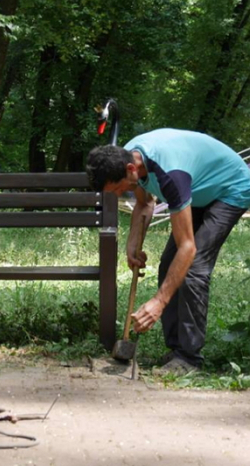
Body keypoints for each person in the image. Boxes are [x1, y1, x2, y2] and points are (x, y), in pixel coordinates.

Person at [87, 129, 250, 374]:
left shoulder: (171, 175)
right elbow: (144, 203)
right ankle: (176, 350)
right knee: (168, 266)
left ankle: (189, 359)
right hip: (199, 190)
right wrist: (133, 244)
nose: (120, 194)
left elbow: (188, 247)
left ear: (131, 169)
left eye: (119, 189)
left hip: (230, 188)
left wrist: (158, 302)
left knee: (193, 269)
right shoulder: (129, 157)